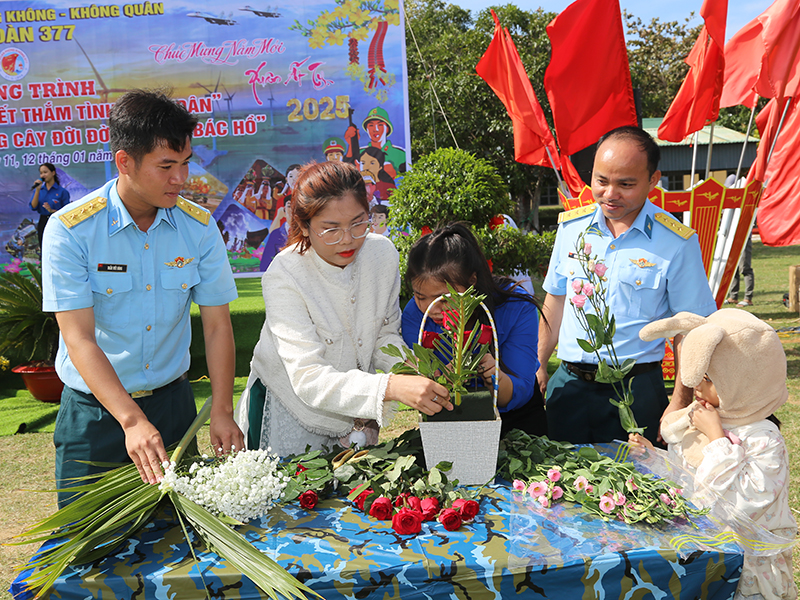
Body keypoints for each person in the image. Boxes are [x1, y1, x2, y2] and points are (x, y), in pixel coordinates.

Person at [42, 89, 243, 507]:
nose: (180, 179)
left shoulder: (199, 228)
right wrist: (131, 419)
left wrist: (222, 408)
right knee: (87, 553)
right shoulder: (71, 230)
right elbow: (79, 339)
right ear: (124, 162)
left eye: (185, 164)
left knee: (179, 547)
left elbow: (217, 325)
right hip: (94, 417)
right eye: (166, 166)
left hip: (173, 411)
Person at [234, 160, 451, 456]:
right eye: (331, 229)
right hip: (290, 410)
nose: (348, 239)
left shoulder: (381, 254)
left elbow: (384, 337)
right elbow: (308, 378)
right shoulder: (284, 274)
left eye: (358, 223)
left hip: (355, 411)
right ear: (303, 225)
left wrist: (421, 373)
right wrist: (393, 387)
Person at [537, 126, 717, 446]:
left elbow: (689, 329)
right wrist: (538, 365)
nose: (610, 194)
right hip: (569, 386)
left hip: (636, 392)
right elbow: (556, 302)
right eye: (601, 181)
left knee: (635, 488)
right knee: (559, 481)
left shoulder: (676, 242)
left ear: (653, 180)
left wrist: (679, 400)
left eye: (626, 184)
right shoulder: (571, 230)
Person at [630, 309, 796, 600]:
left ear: (744, 381)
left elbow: (747, 500)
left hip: (750, 571)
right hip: (708, 560)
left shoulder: (764, 438)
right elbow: (691, 480)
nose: (696, 385)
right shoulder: (705, 416)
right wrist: (653, 456)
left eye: (707, 377)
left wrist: (716, 437)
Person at [402, 223, 547, 439]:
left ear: (472, 281)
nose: (432, 309)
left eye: (445, 297)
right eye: (420, 296)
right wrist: (443, 380)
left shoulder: (515, 308)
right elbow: (425, 382)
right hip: (451, 418)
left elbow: (520, 391)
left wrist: (493, 376)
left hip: (518, 422)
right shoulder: (415, 314)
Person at [30, 162, 70, 247]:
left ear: (53, 173)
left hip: (57, 222)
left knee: (56, 246)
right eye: (41, 173)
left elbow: (67, 212)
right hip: (43, 220)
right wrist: (37, 190)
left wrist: (52, 211)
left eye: (45, 172)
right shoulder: (39, 190)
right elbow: (33, 207)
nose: (42, 175)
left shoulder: (62, 192)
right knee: (43, 246)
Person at [726, 234, 754, 307]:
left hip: (743, 238)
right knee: (733, 269)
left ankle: (748, 298)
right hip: (731, 239)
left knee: (745, 269)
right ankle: (733, 297)